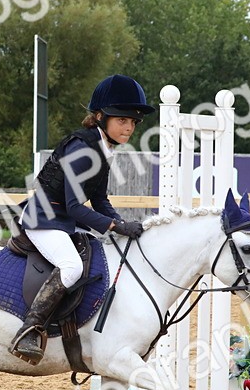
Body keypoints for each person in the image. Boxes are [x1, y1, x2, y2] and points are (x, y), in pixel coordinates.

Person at [10, 74, 150, 363]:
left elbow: (99, 200)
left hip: (63, 219)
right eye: (122, 120)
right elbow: (75, 206)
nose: (129, 127)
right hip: (44, 219)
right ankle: (30, 330)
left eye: (133, 122)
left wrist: (121, 225)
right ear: (101, 117)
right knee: (72, 266)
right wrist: (113, 225)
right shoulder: (82, 150)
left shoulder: (102, 148)